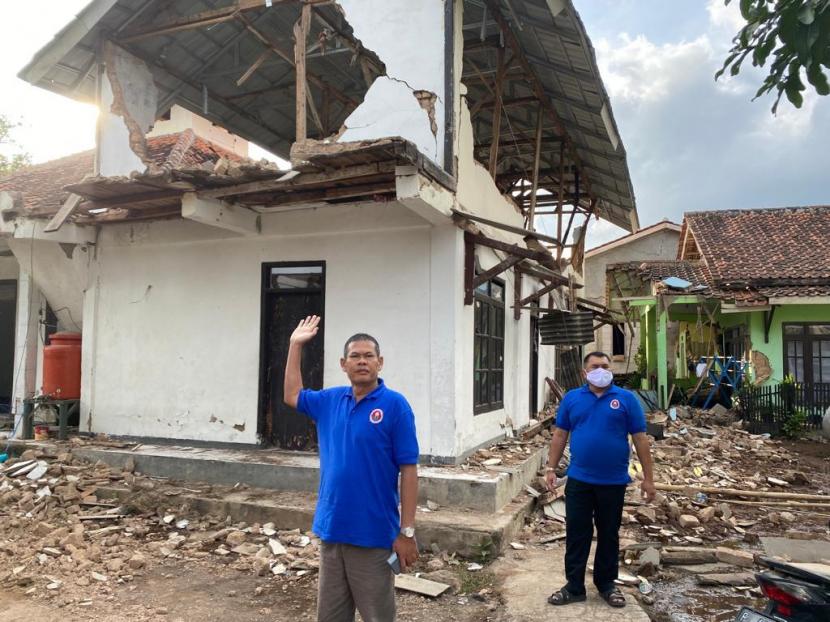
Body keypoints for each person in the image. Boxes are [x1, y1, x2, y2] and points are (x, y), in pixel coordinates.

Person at [283, 315, 419, 622]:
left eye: (368, 356)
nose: (362, 361)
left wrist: (406, 532)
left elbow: (408, 470)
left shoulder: (395, 406)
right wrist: (294, 346)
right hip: (332, 530)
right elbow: (292, 395)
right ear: (343, 364)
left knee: (377, 616)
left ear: (379, 363)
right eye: (355, 356)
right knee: (330, 616)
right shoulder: (330, 400)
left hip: (373, 535)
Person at [545, 351, 655, 609]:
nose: (601, 370)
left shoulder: (626, 399)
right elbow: (560, 435)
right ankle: (574, 587)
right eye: (595, 366)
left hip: (613, 482)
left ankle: (606, 585)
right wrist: (550, 467)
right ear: (585, 372)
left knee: (608, 534)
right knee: (577, 533)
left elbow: (640, 439)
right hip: (579, 480)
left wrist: (649, 479)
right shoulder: (572, 399)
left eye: (605, 366)